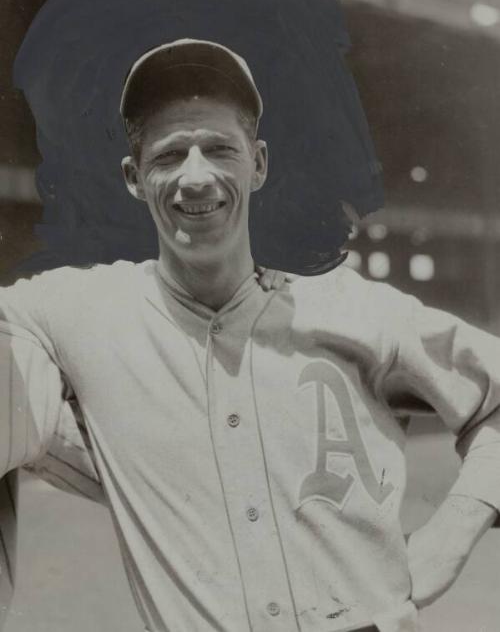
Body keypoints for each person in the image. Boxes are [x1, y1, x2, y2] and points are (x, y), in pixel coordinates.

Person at [0, 38, 499, 632]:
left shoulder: (351, 304)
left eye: (218, 148)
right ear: (134, 177)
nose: (195, 176)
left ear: (257, 164)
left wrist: (456, 528)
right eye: (168, 155)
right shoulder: (72, 313)